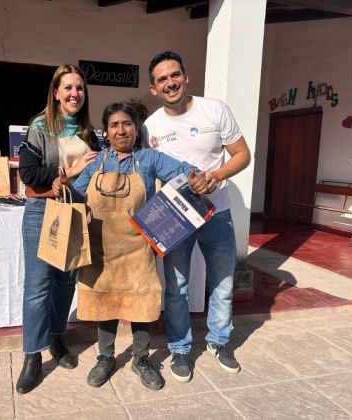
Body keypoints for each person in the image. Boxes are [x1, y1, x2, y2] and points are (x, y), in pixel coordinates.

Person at [53, 102, 208, 390]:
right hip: (101, 250)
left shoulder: (150, 159)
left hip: (138, 249)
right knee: (104, 303)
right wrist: (62, 185)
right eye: (114, 125)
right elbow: (75, 195)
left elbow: (187, 170)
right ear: (106, 131)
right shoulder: (95, 162)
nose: (120, 130)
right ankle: (105, 357)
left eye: (126, 124)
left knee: (142, 303)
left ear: (136, 130)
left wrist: (198, 177)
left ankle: (140, 359)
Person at [143, 51, 251, 381]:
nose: (170, 82)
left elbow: (242, 154)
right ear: (153, 89)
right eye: (162, 79)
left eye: (175, 75)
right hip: (177, 217)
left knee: (223, 282)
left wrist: (216, 176)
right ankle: (180, 349)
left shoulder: (214, 110)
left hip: (217, 212)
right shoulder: (150, 127)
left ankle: (220, 342)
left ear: (186, 77)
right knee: (176, 287)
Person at [16, 64, 99, 394]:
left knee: (65, 282)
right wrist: (65, 173)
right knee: (38, 285)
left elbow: (93, 173)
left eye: (79, 88)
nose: (74, 94)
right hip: (43, 212)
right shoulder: (40, 126)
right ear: (55, 92)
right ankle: (32, 356)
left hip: (75, 211)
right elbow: (28, 174)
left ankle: (57, 338)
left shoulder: (87, 131)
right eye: (68, 88)